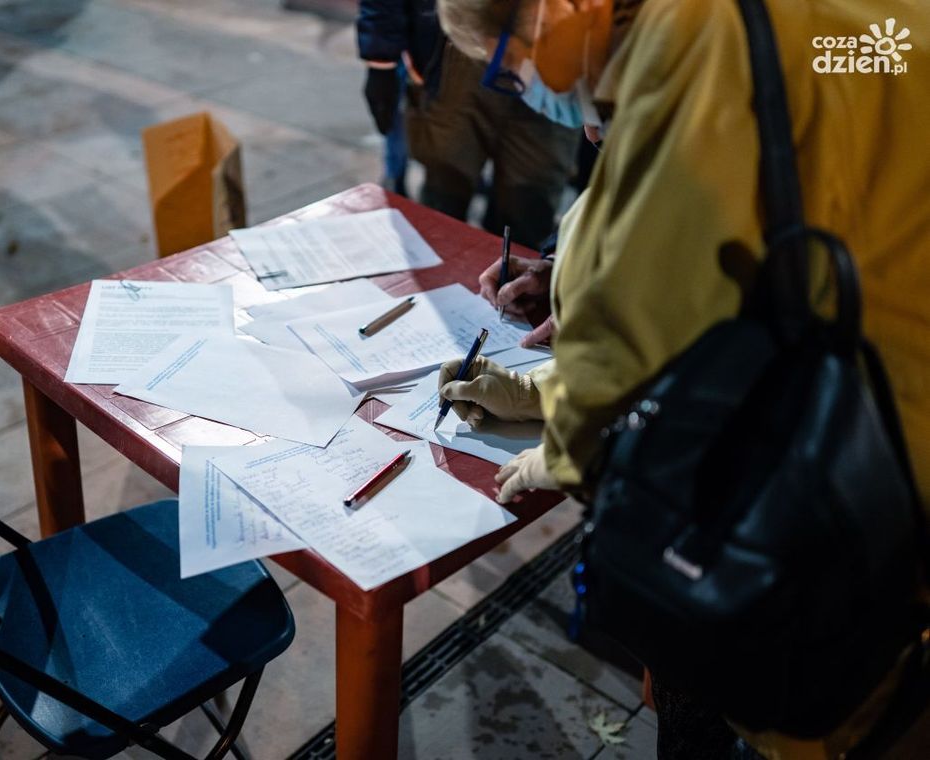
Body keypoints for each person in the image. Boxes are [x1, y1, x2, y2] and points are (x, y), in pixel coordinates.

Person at [434, 0, 930, 757]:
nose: (522, 84)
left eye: (511, 62)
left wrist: (562, 439)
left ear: (562, 11)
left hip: (843, 489)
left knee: (786, 699)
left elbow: (637, 325)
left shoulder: (694, 41)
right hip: (876, 410)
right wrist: (567, 277)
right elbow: (767, 210)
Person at [357, 0, 580, 249]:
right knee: (443, 199)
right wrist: (381, 59)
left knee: (529, 208)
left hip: (561, 48)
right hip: (461, 45)